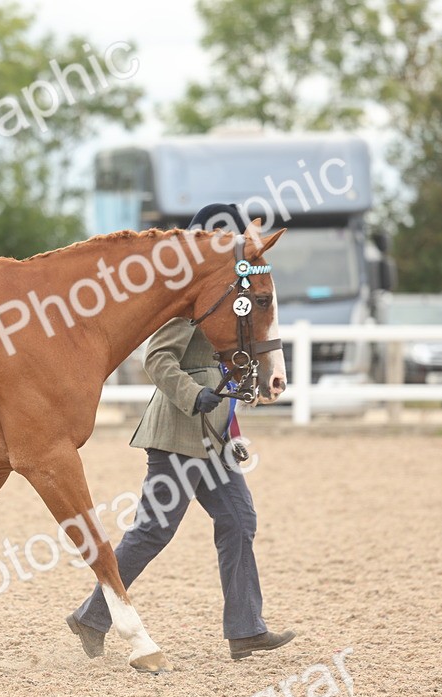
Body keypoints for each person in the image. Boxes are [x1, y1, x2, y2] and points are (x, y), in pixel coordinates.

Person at [65, 203, 295, 661]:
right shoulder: (187, 297)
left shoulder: (231, 290)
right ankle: (93, 614)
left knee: (238, 520)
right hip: (179, 433)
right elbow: (158, 361)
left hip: (216, 436)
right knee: (153, 530)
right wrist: (195, 396)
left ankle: (246, 629)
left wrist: (243, 381)